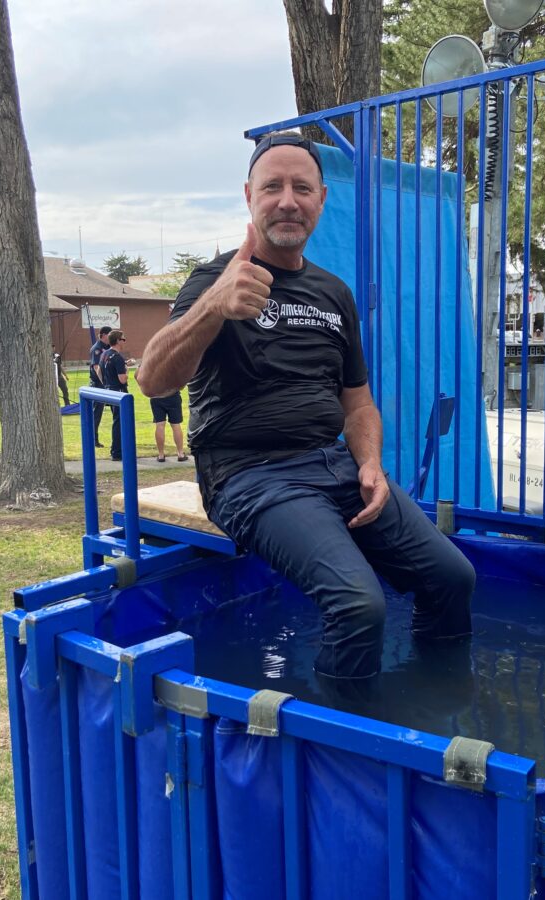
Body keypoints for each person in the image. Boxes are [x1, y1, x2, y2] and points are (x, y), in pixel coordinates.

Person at [136, 132, 475, 687]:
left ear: (322, 199)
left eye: (302, 188)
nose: (288, 201)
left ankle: (436, 701)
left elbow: (358, 402)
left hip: (334, 464)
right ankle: (341, 726)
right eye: (273, 187)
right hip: (248, 475)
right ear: (249, 196)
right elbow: (152, 379)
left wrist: (370, 464)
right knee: (358, 606)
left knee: (453, 578)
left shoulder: (333, 292)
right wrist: (215, 306)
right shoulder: (215, 281)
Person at [101, 330, 130, 462]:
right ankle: (117, 452)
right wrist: (127, 370)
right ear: (118, 341)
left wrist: (106, 384)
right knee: (120, 423)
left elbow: (98, 371)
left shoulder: (104, 354)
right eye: (123, 339)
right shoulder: (117, 357)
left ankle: (115, 449)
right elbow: (122, 379)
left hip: (109, 390)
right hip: (119, 392)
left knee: (117, 421)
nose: (125, 342)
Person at [89, 326, 112, 447]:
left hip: (107, 384)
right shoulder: (97, 348)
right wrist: (104, 383)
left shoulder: (108, 347)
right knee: (96, 413)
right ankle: (93, 439)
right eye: (109, 334)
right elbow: (96, 367)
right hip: (98, 384)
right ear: (103, 335)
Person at [149, 391, 187, 462]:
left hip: (156, 396)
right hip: (173, 395)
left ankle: (161, 455)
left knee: (160, 425)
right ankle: (180, 454)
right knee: (176, 425)